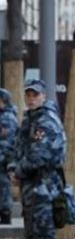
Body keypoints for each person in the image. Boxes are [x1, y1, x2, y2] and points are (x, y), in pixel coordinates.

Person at [9, 79, 66, 238]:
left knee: (42, 233)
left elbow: (39, 156)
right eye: (28, 95)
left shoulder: (46, 120)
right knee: (31, 232)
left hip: (44, 188)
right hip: (32, 187)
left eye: (36, 94)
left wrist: (18, 172)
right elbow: (18, 146)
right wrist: (12, 168)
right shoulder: (30, 119)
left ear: (44, 96)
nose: (31, 98)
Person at [0, 89, 18, 224]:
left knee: (4, 188)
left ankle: (5, 216)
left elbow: (7, 143)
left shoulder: (7, 118)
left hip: (4, 160)